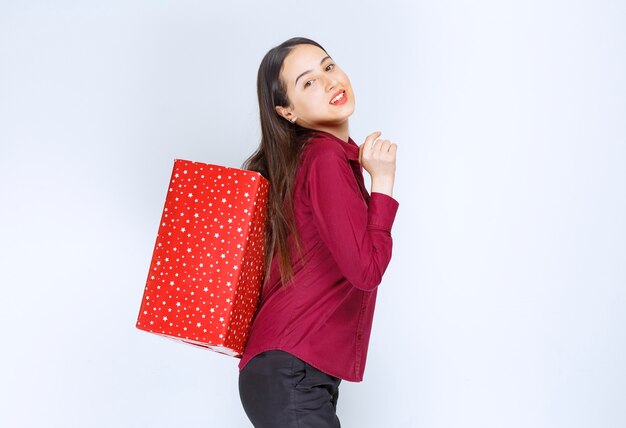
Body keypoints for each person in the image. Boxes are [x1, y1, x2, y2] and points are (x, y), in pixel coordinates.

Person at [238, 36, 400, 428]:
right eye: (307, 82)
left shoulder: (316, 159)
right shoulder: (324, 157)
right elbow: (366, 270)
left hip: (289, 371)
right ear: (286, 112)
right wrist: (383, 182)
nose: (329, 82)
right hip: (292, 370)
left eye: (328, 67)